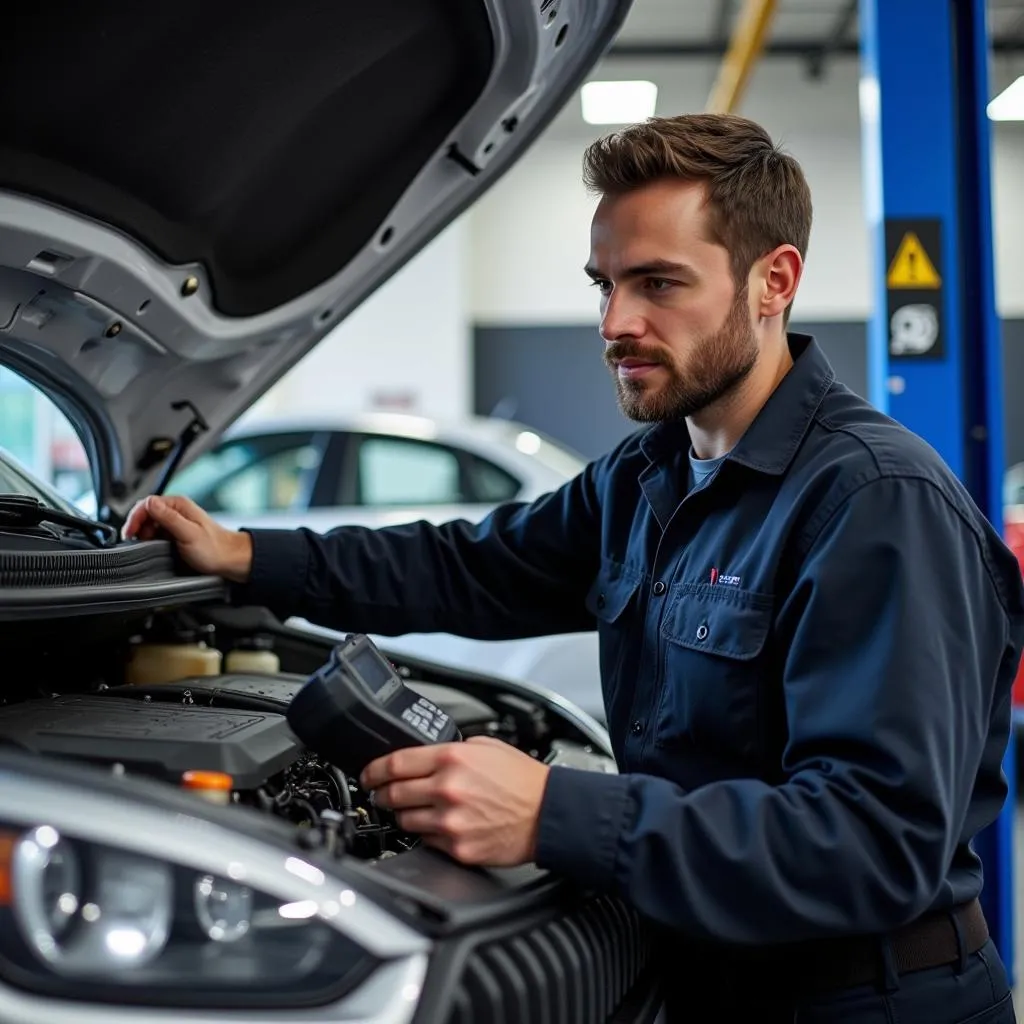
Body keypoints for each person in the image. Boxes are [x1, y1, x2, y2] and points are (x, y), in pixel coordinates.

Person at [123, 113, 1023, 1022]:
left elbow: (875, 843)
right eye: (605, 285)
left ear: (773, 282)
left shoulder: (874, 502)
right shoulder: (648, 475)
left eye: (659, 283)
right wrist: (242, 556)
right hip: (701, 981)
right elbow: (465, 567)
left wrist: (557, 812)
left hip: (870, 1004)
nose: (616, 323)